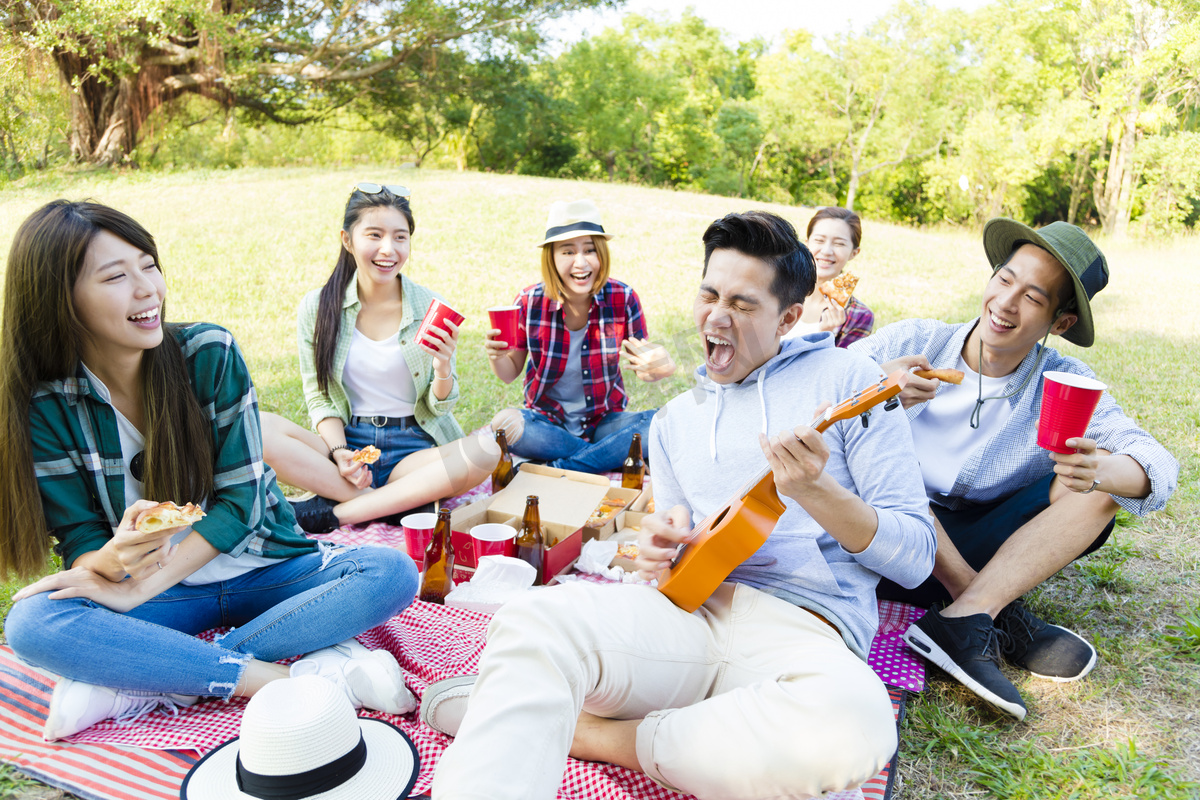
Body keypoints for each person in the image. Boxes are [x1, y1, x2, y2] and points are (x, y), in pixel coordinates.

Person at [420, 211, 936, 799]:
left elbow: (916, 559)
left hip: (805, 635)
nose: (715, 317)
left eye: (743, 305)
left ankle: (585, 734)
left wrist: (817, 493)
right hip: (688, 619)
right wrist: (657, 547)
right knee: (534, 619)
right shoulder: (674, 422)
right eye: (709, 294)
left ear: (789, 317)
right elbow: (671, 545)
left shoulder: (852, 381)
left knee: (857, 725)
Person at [0, 200, 419, 742]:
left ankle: (152, 679)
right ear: (61, 300)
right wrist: (114, 560)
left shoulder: (207, 353)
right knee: (33, 623)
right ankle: (294, 674)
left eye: (148, 265)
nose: (147, 288)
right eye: (115, 276)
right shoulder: (45, 405)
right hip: (162, 595)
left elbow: (242, 504)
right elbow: (80, 537)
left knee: (390, 573)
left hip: (267, 570)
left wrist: (129, 597)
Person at [849, 218, 1179, 720]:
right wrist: (875, 385)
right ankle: (986, 608)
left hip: (975, 538)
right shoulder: (917, 339)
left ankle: (964, 615)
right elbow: (816, 392)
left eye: (1034, 297)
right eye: (1005, 280)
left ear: (1060, 323)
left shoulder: (1064, 383)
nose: (1006, 303)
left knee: (1095, 491)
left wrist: (1103, 470)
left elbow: (1158, 466)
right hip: (876, 538)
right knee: (880, 467)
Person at [261, 183, 497, 533]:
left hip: (414, 450)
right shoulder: (318, 307)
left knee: (486, 451)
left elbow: (441, 407)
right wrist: (340, 451)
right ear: (347, 240)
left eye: (400, 237)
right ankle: (393, 503)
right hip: (348, 444)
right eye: (375, 235)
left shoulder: (429, 307)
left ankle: (337, 512)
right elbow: (319, 395)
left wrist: (443, 367)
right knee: (257, 428)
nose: (389, 249)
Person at [485, 199, 675, 474]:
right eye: (567, 252)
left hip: (604, 422)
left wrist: (661, 365)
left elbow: (644, 367)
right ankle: (606, 456)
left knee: (661, 423)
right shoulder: (529, 301)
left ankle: (559, 466)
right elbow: (507, 374)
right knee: (504, 424)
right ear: (551, 257)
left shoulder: (623, 298)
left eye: (590, 250)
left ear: (601, 255)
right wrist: (496, 356)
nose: (581, 262)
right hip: (548, 424)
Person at [781, 206, 873, 347]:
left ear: (854, 253)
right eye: (819, 240)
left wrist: (825, 336)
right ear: (806, 244)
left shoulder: (859, 316)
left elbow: (844, 367)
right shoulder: (779, 288)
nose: (826, 251)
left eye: (839, 243)